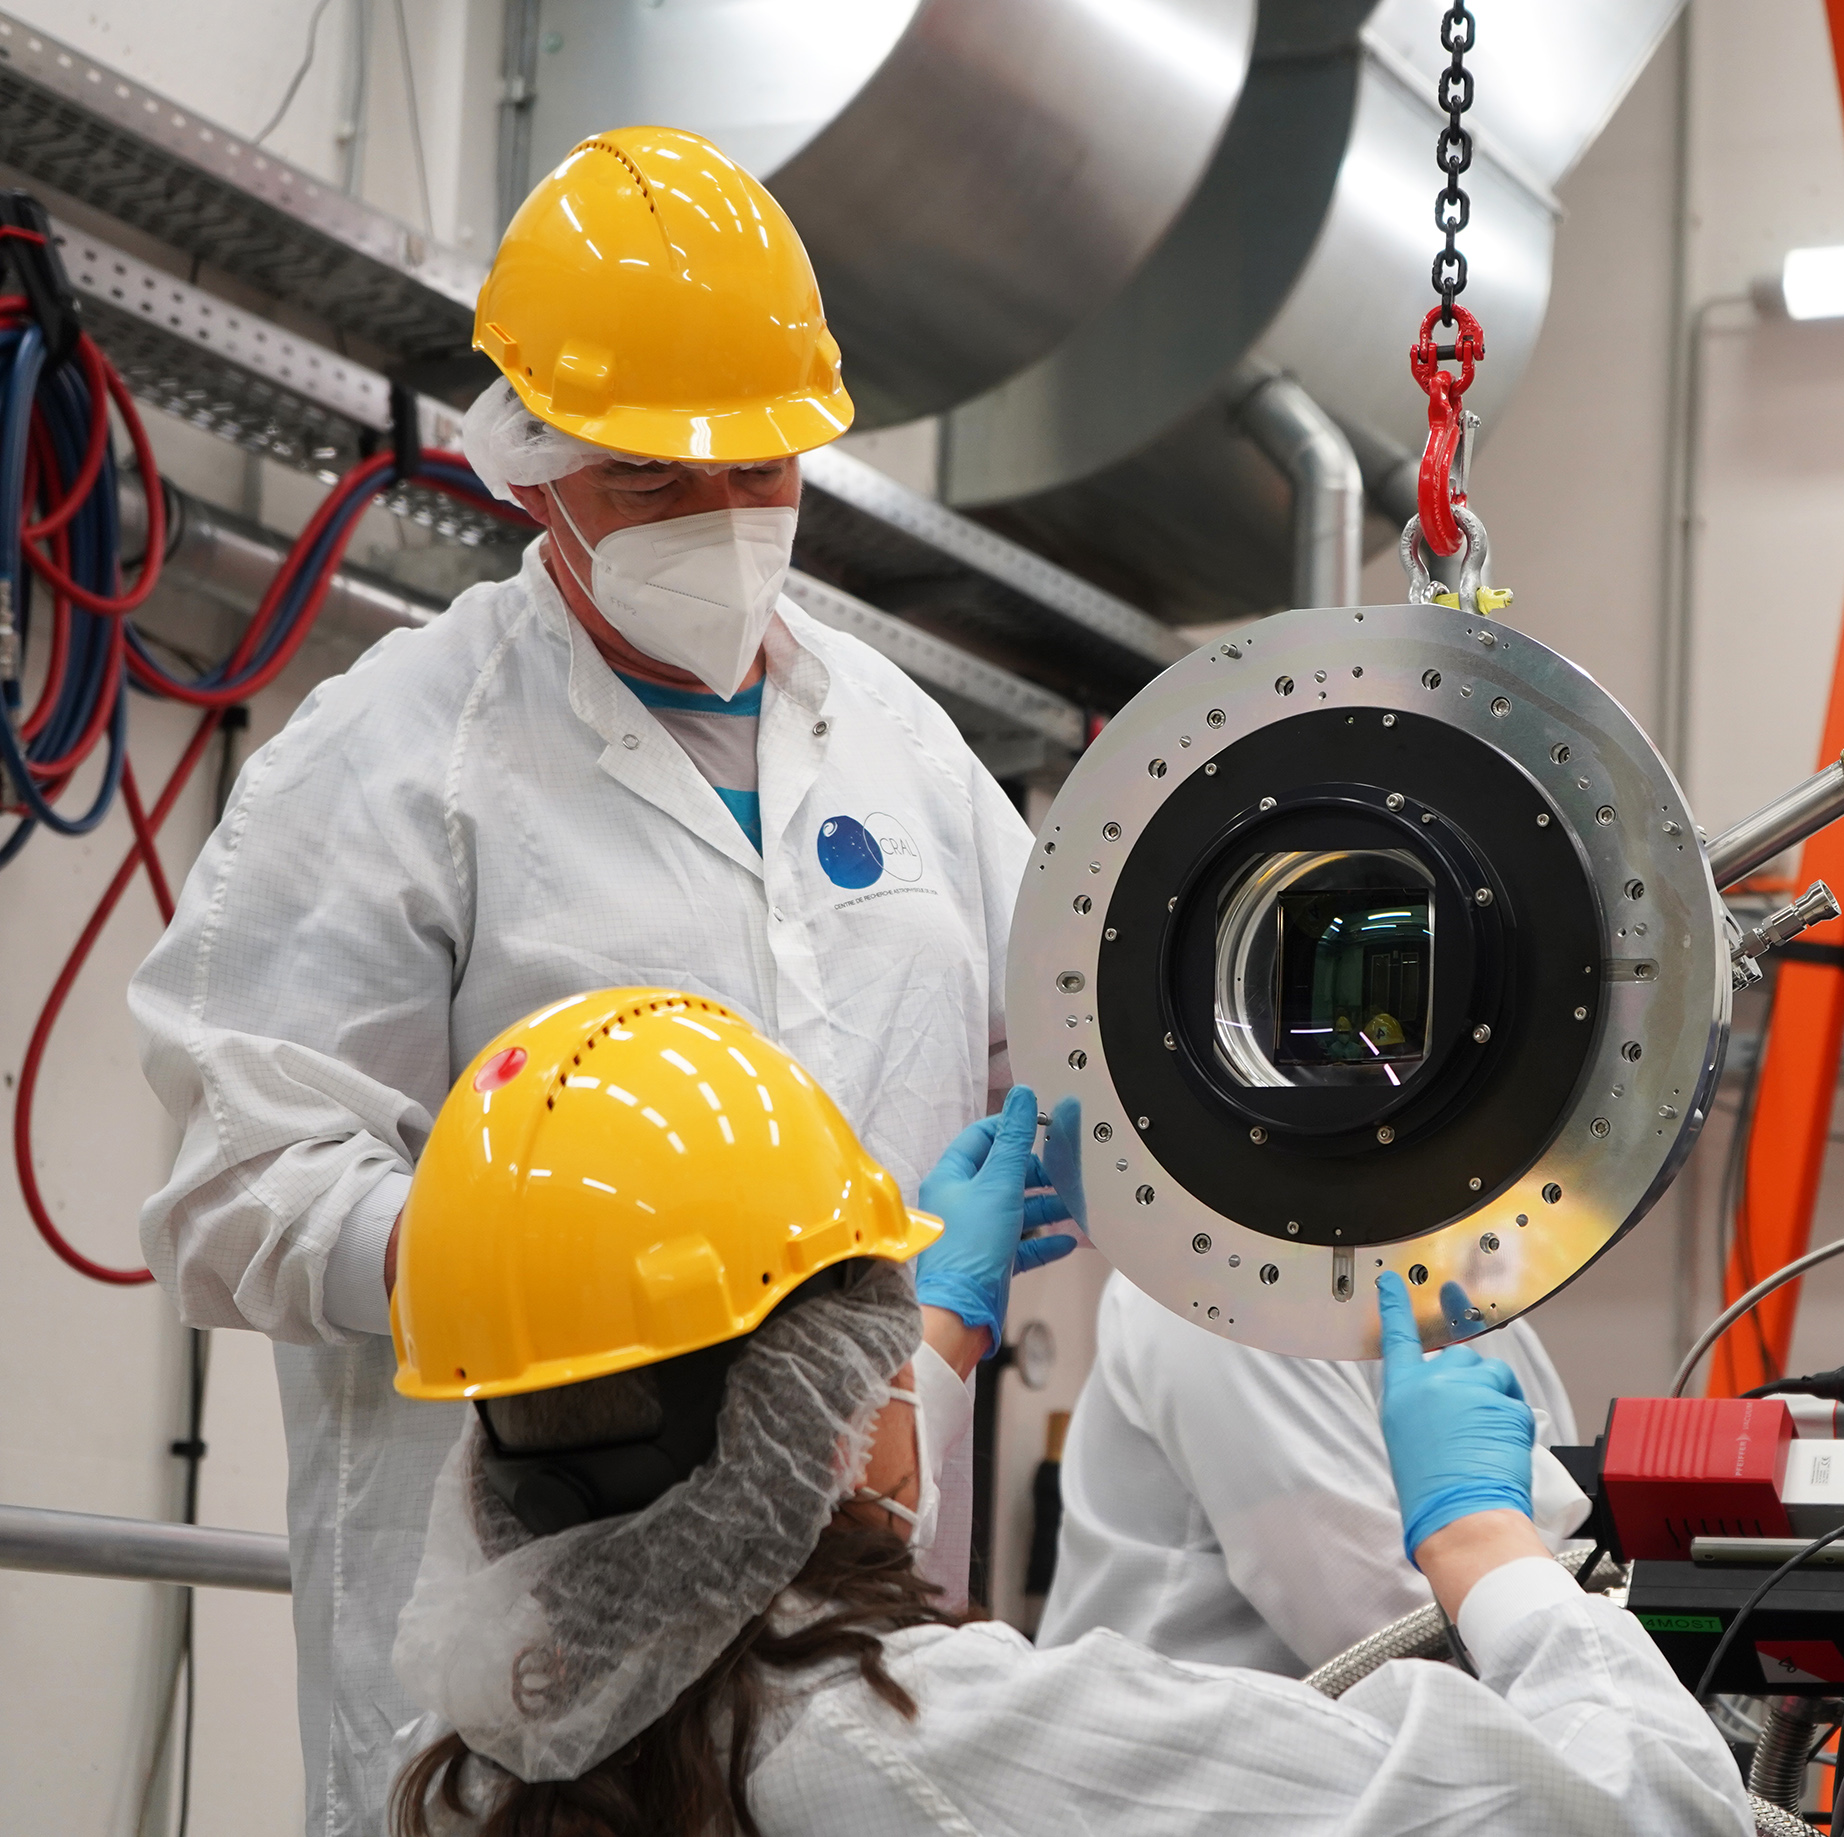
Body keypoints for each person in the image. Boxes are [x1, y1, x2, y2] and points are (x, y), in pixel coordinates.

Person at [128, 127, 1054, 1834]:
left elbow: (1054, 1046)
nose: (723, 520)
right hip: (524, 1702)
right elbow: (232, 1193)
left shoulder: (905, 748)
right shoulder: (395, 760)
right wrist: (564, 1257)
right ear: (530, 467)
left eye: (760, 471)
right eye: (652, 482)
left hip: (856, 1649)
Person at [383, 994, 1745, 1836]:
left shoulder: (493, 1755)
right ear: (827, 1400)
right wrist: (1482, 1546)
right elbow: (1651, 1811)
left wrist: (936, 1337)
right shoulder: (949, 1743)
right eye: (877, 1327)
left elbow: (734, 1528)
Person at [1037, 1270, 1586, 1673]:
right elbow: (1380, 1634)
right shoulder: (1219, 1290)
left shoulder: (1479, 1301)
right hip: (1179, 1758)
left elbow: (1578, 1563)